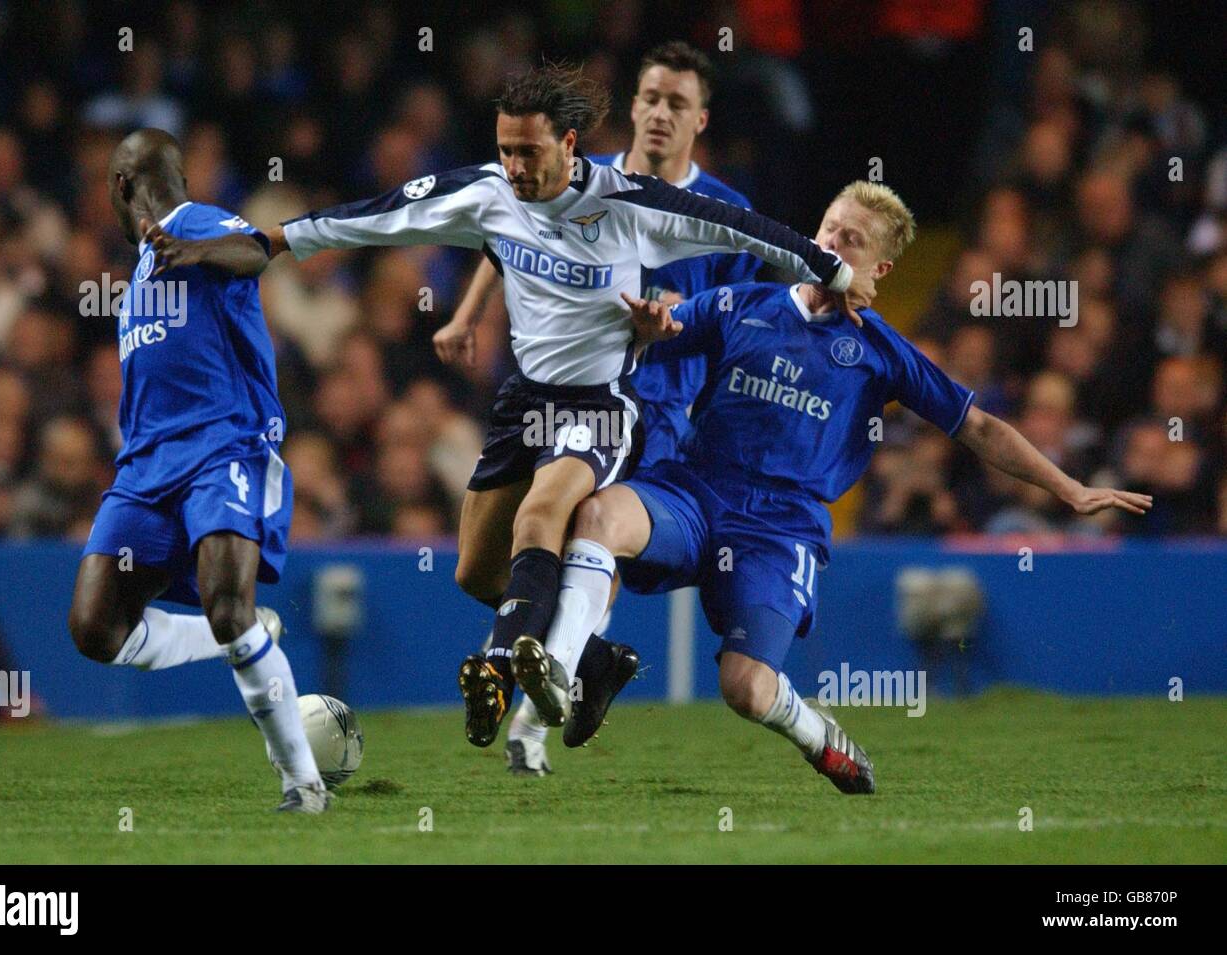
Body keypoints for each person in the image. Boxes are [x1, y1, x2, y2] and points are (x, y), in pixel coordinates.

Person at [264, 63, 873, 753]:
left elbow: (748, 232)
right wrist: (272, 243)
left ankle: (500, 672)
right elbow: (390, 218)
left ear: (570, 144)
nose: (516, 165)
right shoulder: (495, 192)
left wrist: (832, 272)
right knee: (476, 572)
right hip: (525, 399)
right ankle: (593, 664)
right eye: (506, 150)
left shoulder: (633, 202)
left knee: (550, 518)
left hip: (611, 402)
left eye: (529, 151)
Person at [537, 181, 1152, 793]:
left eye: (850, 239)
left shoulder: (881, 352)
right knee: (598, 516)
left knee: (745, 689)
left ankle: (816, 735)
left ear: (879, 267)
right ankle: (559, 674)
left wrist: (1068, 489)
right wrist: (646, 326)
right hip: (695, 493)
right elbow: (652, 334)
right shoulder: (740, 304)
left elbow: (980, 428)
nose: (831, 242)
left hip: (778, 529)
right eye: (828, 228)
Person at [444, 42, 759, 775]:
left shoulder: (724, 215)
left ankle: (526, 723)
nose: (658, 113)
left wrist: (681, 318)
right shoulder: (591, 181)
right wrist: (465, 316)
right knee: (484, 567)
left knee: (587, 538)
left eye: (676, 103)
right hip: (558, 392)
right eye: (649, 96)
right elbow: (507, 241)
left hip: (657, 407)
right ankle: (592, 665)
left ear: (700, 119)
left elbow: (740, 320)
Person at [66, 129, 329, 813]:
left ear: (122, 187)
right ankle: (234, 639)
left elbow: (255, 251)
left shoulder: (198, 223)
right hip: (146, 469)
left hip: (223, 448)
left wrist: (197, 250)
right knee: (95, 627)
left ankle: (303, 784)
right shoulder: (139, 282)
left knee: (226, 601)